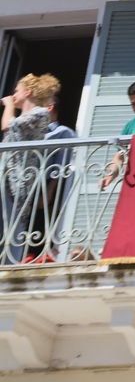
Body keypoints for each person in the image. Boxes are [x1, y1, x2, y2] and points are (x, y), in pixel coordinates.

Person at [1, 75, 76, 265]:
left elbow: (7, 127)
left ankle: (29, 256)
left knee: (17, 223)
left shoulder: (40, 113)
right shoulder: (28, 115)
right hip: (9, 176)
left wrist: (8, 105)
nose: (13, 95)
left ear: (27, 92)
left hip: (20, 178)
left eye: (16, 91)